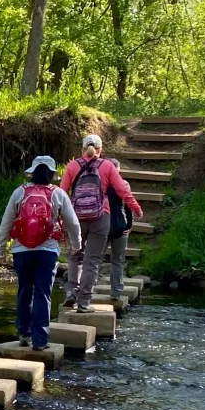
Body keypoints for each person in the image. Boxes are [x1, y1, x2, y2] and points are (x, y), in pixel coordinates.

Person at [0, 156, 81, 350]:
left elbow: (6, 223)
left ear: (32, 173)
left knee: (24, 290)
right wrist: (76, 245)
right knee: (43, 293)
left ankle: (24, 334)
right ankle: (40, 341)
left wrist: (0, 251)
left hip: (21, 251)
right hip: (47, 251)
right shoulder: (58, 194)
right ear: (52, 174)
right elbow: (73, 223)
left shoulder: (19, 192)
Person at [58, 134, 142, 312]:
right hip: (101, 217)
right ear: (100, 149)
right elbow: (123, 190)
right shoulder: (107, 165)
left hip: (76, 218)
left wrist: (58, 218)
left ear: (82, 149)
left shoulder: (72, 166)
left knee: (75, 256)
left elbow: (62, 194)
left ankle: (71, 293)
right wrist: (136, 209)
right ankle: (83, 303)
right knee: (92, 261)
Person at [105, 158, 136, 300]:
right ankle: (116, 292)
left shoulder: (100, 184)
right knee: (117, 260)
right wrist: (129, 224)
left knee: (95, 259)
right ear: (118, 170)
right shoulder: (123, 184)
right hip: (120, 225)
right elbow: (129, 205)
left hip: (102, 225)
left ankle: (88, 290)